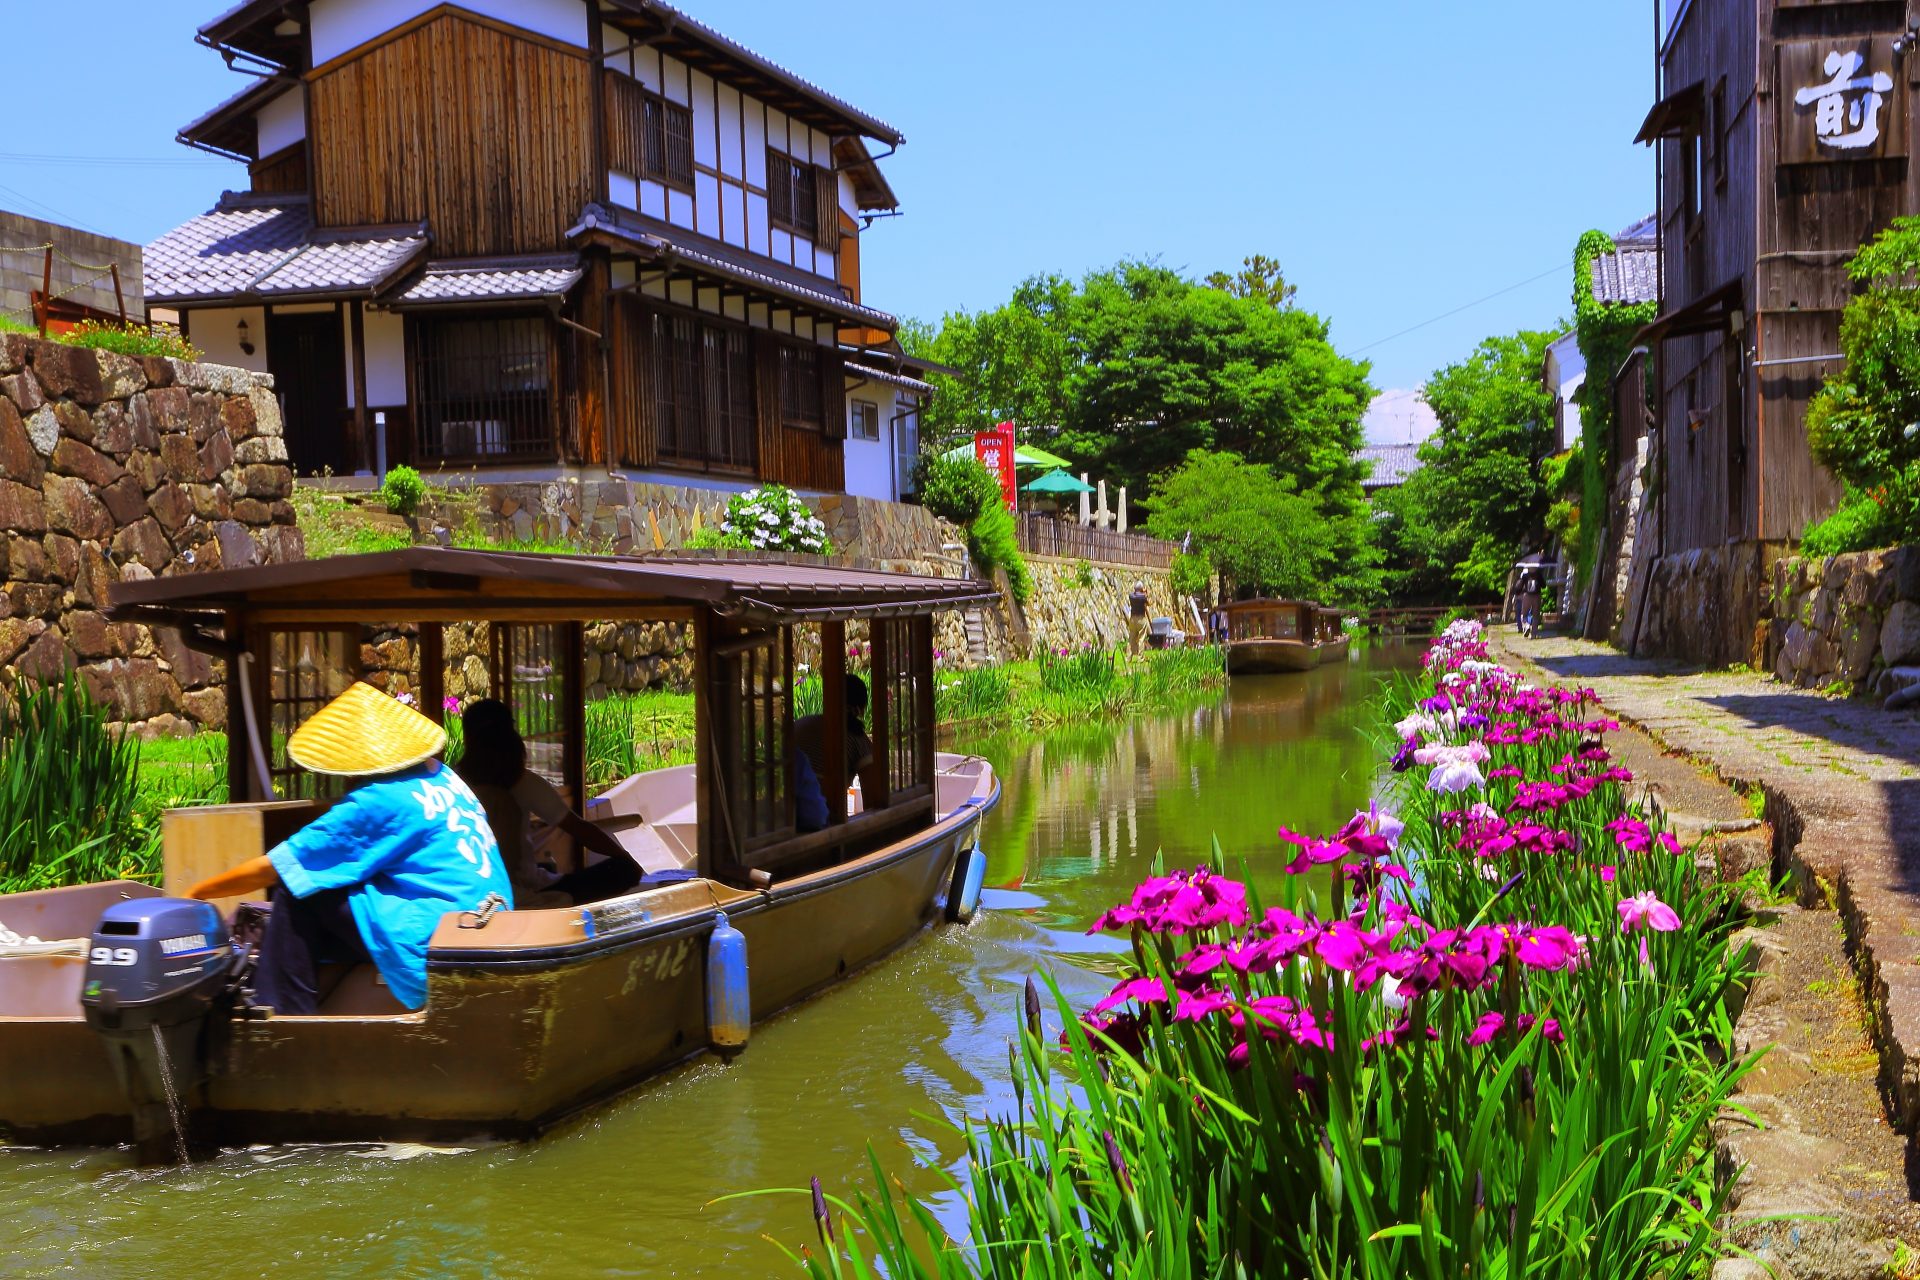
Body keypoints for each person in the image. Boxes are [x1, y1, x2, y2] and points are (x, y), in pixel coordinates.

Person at [187, 682, 514, 1016]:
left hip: (436, 937)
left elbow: (278, 867)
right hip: (487, 923)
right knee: (335, 893)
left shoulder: (380, 799)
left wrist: (199, 891)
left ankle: (282, 1023)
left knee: (298, 891)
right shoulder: (444, 777)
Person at [456, 699, 641, 908]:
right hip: (528, 889)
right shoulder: (521, 781)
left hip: (480, 889)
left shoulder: (454, 782)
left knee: (546, 866)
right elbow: (579, 829)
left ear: (468, 737)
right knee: (624, 870)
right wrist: (626, 859)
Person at [793, 672, 874, 822]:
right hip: (818, 818)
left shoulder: (802, 724)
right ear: (861, 710)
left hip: (783, 816)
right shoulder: (859, 740)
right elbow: (872, 800)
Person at [1127, 583, 1150, 655]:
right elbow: (1148, 603)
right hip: (1141, 618)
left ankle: (1128, 657)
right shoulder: (1143, 597)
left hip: (1132, 619)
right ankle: (1140, 657)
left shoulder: (1131, 596)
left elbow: (1135, 594)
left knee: (1131, 639)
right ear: (1141, 589)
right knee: (1141, 638)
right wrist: (1145, 592)